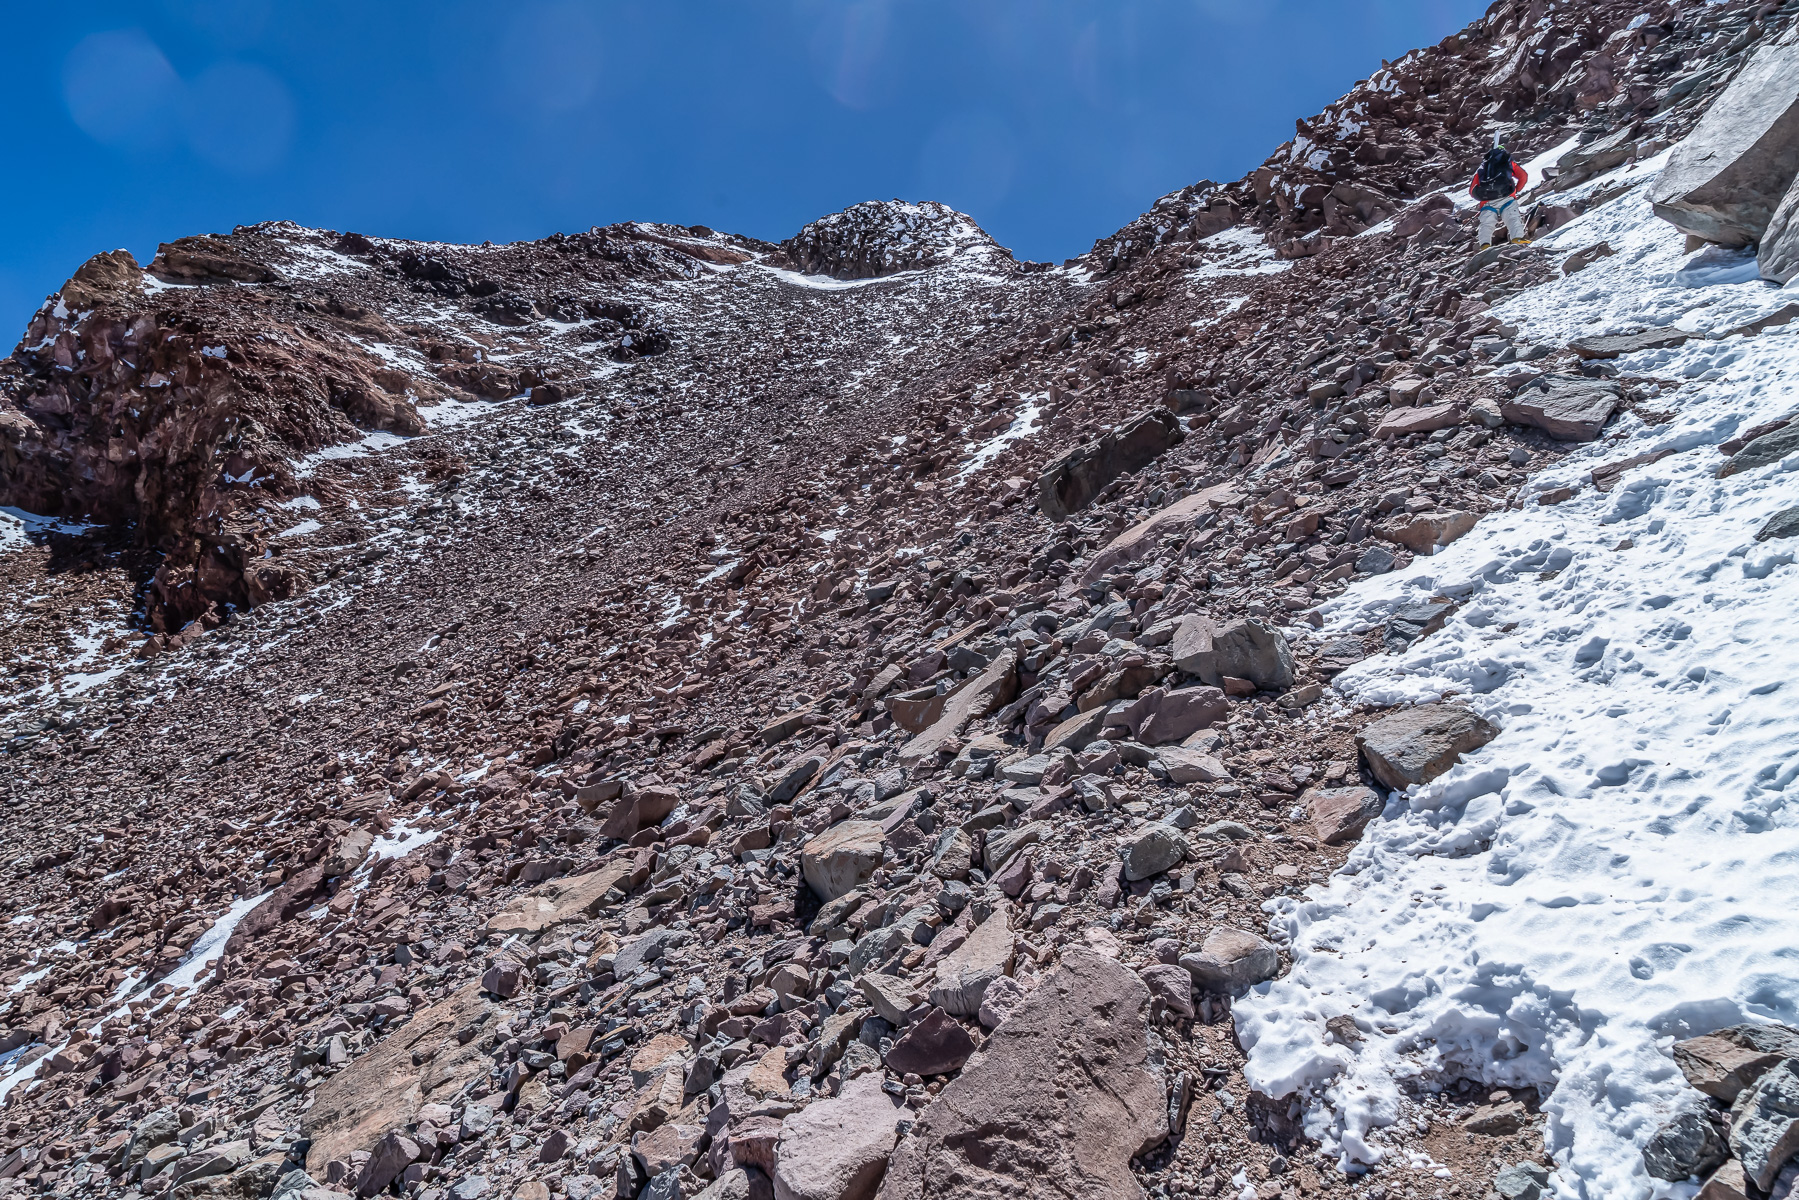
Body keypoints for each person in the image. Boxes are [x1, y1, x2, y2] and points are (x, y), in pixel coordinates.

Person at [1469, 143, 1529, 249]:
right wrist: (1516, 190)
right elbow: (1523, 176)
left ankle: (1485, 244)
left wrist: (1484, 196)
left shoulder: (1484, 167)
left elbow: (1472, 190)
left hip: (1487, 201)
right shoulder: (1507, 162)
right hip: (1507, 197)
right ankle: (1517, 238)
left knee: (1486, 224)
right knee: (1513, 218)